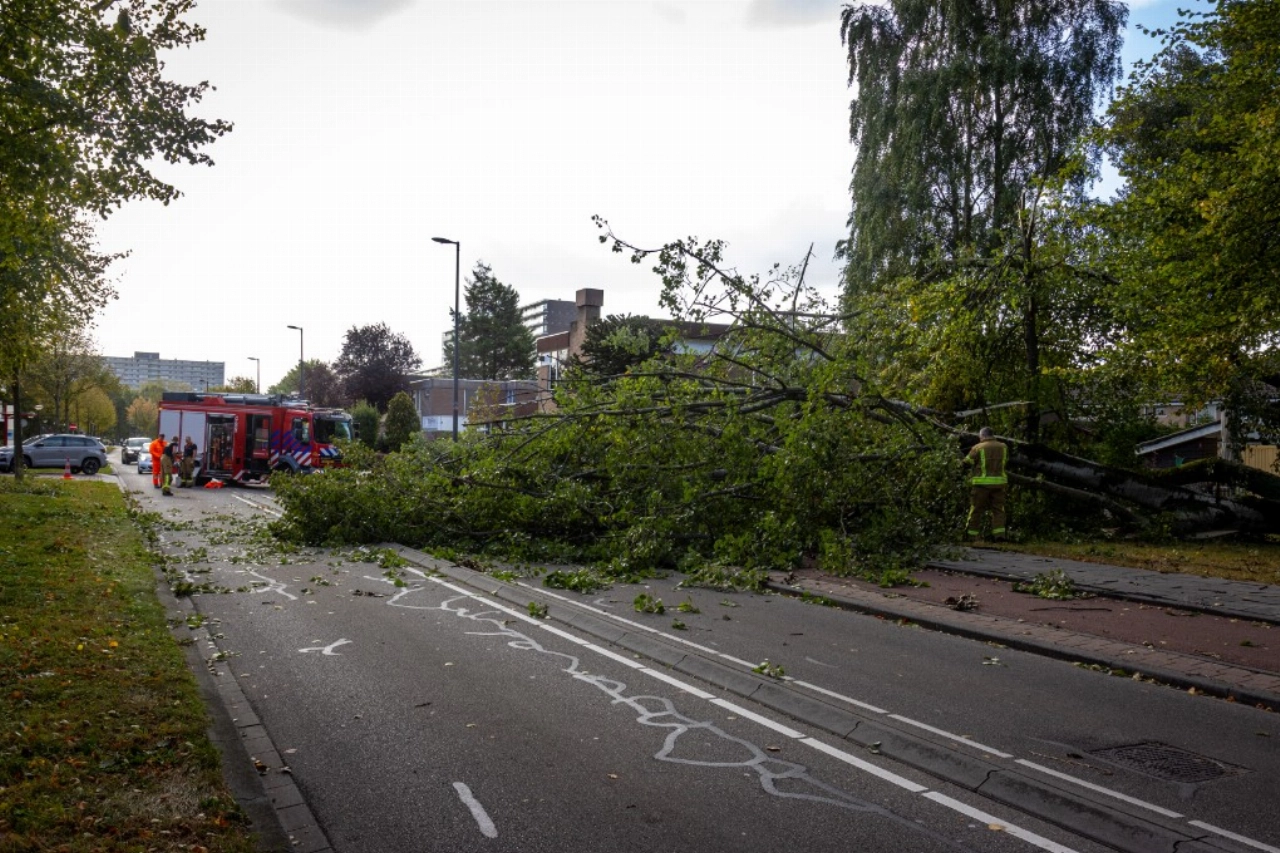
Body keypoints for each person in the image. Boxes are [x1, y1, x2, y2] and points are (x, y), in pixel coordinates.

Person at [965, 426, 1008, 540]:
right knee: (998, 510)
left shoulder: (978, 447)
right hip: (999, 484)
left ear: (982, 436)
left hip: (981, 485)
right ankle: (999, 536)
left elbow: (967, 462)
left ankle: (970, 536)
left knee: (976, 509)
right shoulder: (1003, 447)